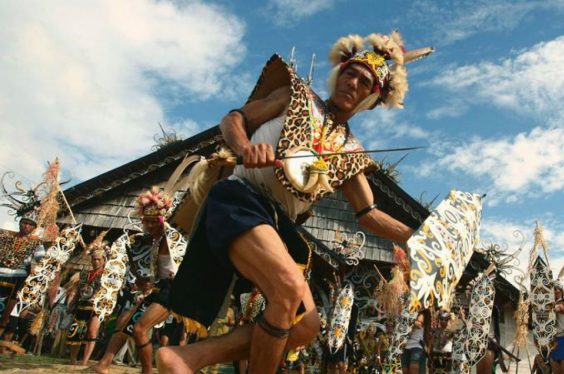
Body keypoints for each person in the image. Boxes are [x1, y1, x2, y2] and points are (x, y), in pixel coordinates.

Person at [157, 31, 432, 374]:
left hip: (278, 224)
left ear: (371, 99)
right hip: (240, 200)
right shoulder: (295, 96)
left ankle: (185, 359)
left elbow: (369, 213)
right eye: (351, 73)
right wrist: (245, 148)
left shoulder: (350, 155)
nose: (354, 83)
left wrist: (423, 237)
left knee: (306, 326)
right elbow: (233, 119)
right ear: (339, 73)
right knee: (288, 290)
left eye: (365, 82)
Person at [90, 187, 187, 374]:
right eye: (146, 221)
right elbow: (153, 272)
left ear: (162, 219)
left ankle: (147, 371)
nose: (150, 225)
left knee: (140, 330)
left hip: (175, 290)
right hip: (160, 288)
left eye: (154, 221)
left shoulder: (173, 238)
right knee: (124, 321)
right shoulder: (149, 241)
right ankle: (103, 365)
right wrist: (145, 281)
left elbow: (183, 262)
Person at [0, 209, 45, 342]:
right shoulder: (7, 238)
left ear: (34, 228)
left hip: (18, 278)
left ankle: (2, 330)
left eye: (30, 224)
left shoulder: (36, 243)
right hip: (1, 273)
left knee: (8, 309)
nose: (26, 226)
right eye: (25, 222)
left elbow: (41, 260)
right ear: (20, 223)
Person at [66, 236, 107, 365]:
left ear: (104, 260)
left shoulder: (107, 275)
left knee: (91, 332)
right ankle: (73, 360)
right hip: (82, 304)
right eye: (94, 259)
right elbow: (79, 291)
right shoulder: (84, 274)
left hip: (97, 306)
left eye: (98, 259)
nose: (96, 262)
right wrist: (72, 304)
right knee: (77, 332)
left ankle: (84, 361)